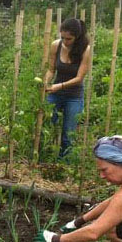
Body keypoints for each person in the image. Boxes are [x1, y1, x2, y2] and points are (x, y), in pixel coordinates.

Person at [44, 18, 91, 159]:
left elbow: (79, 78)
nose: (65, 41)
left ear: (77, 37)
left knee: (68, 134)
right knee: (46, 126)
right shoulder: (55, 46)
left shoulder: (85, 50)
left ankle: (64, 164)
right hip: (55, 93)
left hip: (74, 96)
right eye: (62, 37)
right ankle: (44, 158)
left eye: (69, 39)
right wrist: (46, 82)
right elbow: (51, 70)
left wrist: (59, 86)